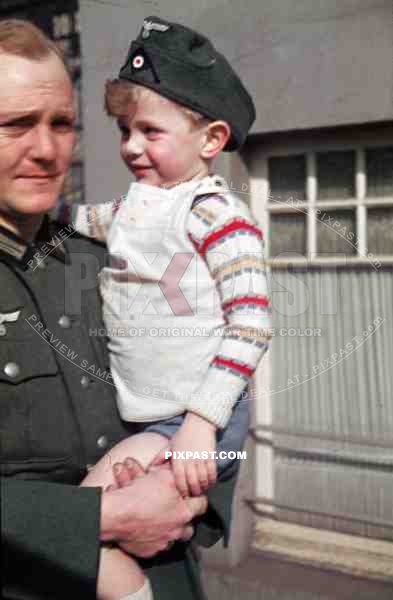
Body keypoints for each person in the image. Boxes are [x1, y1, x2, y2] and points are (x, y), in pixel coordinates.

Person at [1, 19, 243, 600]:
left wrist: (194, 490)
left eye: (61, 123)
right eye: (15, 125)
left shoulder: (126, 258)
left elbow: (222, 402)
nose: (46, 149)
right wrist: (96, 521)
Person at [56, 16, 271, 600]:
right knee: (116, 529)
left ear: (211, 139)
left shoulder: (216, 214)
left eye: (150, 131)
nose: (130, 146)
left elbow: (252, 323)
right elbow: (78, 221)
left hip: (198, 423)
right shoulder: (136, 207)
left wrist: (201, 424)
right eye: (124, 130)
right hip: (153, 422)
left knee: (71, 525)